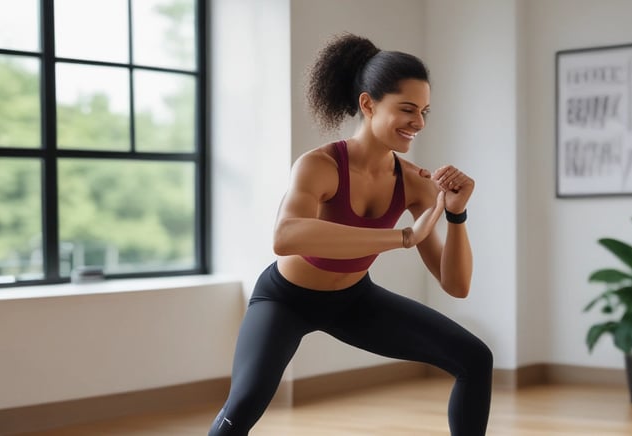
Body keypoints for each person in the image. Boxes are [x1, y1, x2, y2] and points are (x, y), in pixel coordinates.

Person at [209, 33, 492, 436]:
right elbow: (286, 236)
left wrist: (458, 216)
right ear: (367, 103)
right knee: (245, 403)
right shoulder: (320, 165)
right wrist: (403, 237)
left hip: (354, 301)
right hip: (285, 299)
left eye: (425, 111)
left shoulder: (414, 183)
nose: (420, 123)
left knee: (475, 358)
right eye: (408, 109)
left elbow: (456, 285)